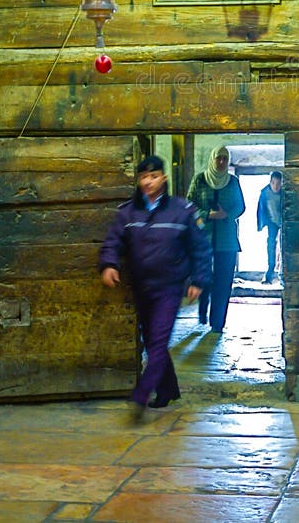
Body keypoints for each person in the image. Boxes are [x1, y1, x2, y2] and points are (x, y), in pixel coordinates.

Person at [99, 155, 212, 421]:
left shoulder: (182, 210)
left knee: (158, 341)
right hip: (141, 287)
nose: (148, 182)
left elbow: (200, 247)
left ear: (163, 178)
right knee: (152, 343)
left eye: (153, 176)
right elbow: (113, 242)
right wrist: (108, 264)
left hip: (169, 287)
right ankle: (168, 389)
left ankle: (141, 395)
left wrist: (198, 280)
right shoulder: (128, 212)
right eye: (143, 178)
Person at [186, 145, 246, 332]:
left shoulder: (233, 182)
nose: (221, 162)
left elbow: (241, 206)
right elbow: (189, 205)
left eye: (224, 159)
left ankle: (218, 323)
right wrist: (207, 214)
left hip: (226, 241)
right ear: (212, 159)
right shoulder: (200, 180)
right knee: (203, 278)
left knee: (223, 281)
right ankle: (203, 312)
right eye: (218, 158)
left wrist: (226, 215)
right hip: (203, 239)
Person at [257, 170, 283, 284]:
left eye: (278, 183)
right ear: (270, 182)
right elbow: (260, 209)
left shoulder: (285, 193)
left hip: (283, 222)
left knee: (284, 247)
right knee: (271, 245)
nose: (276, 186)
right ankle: (269, 273)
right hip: (272, 222)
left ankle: (282, 274)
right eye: (274, 183)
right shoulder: (265, 193)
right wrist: (261, 224)